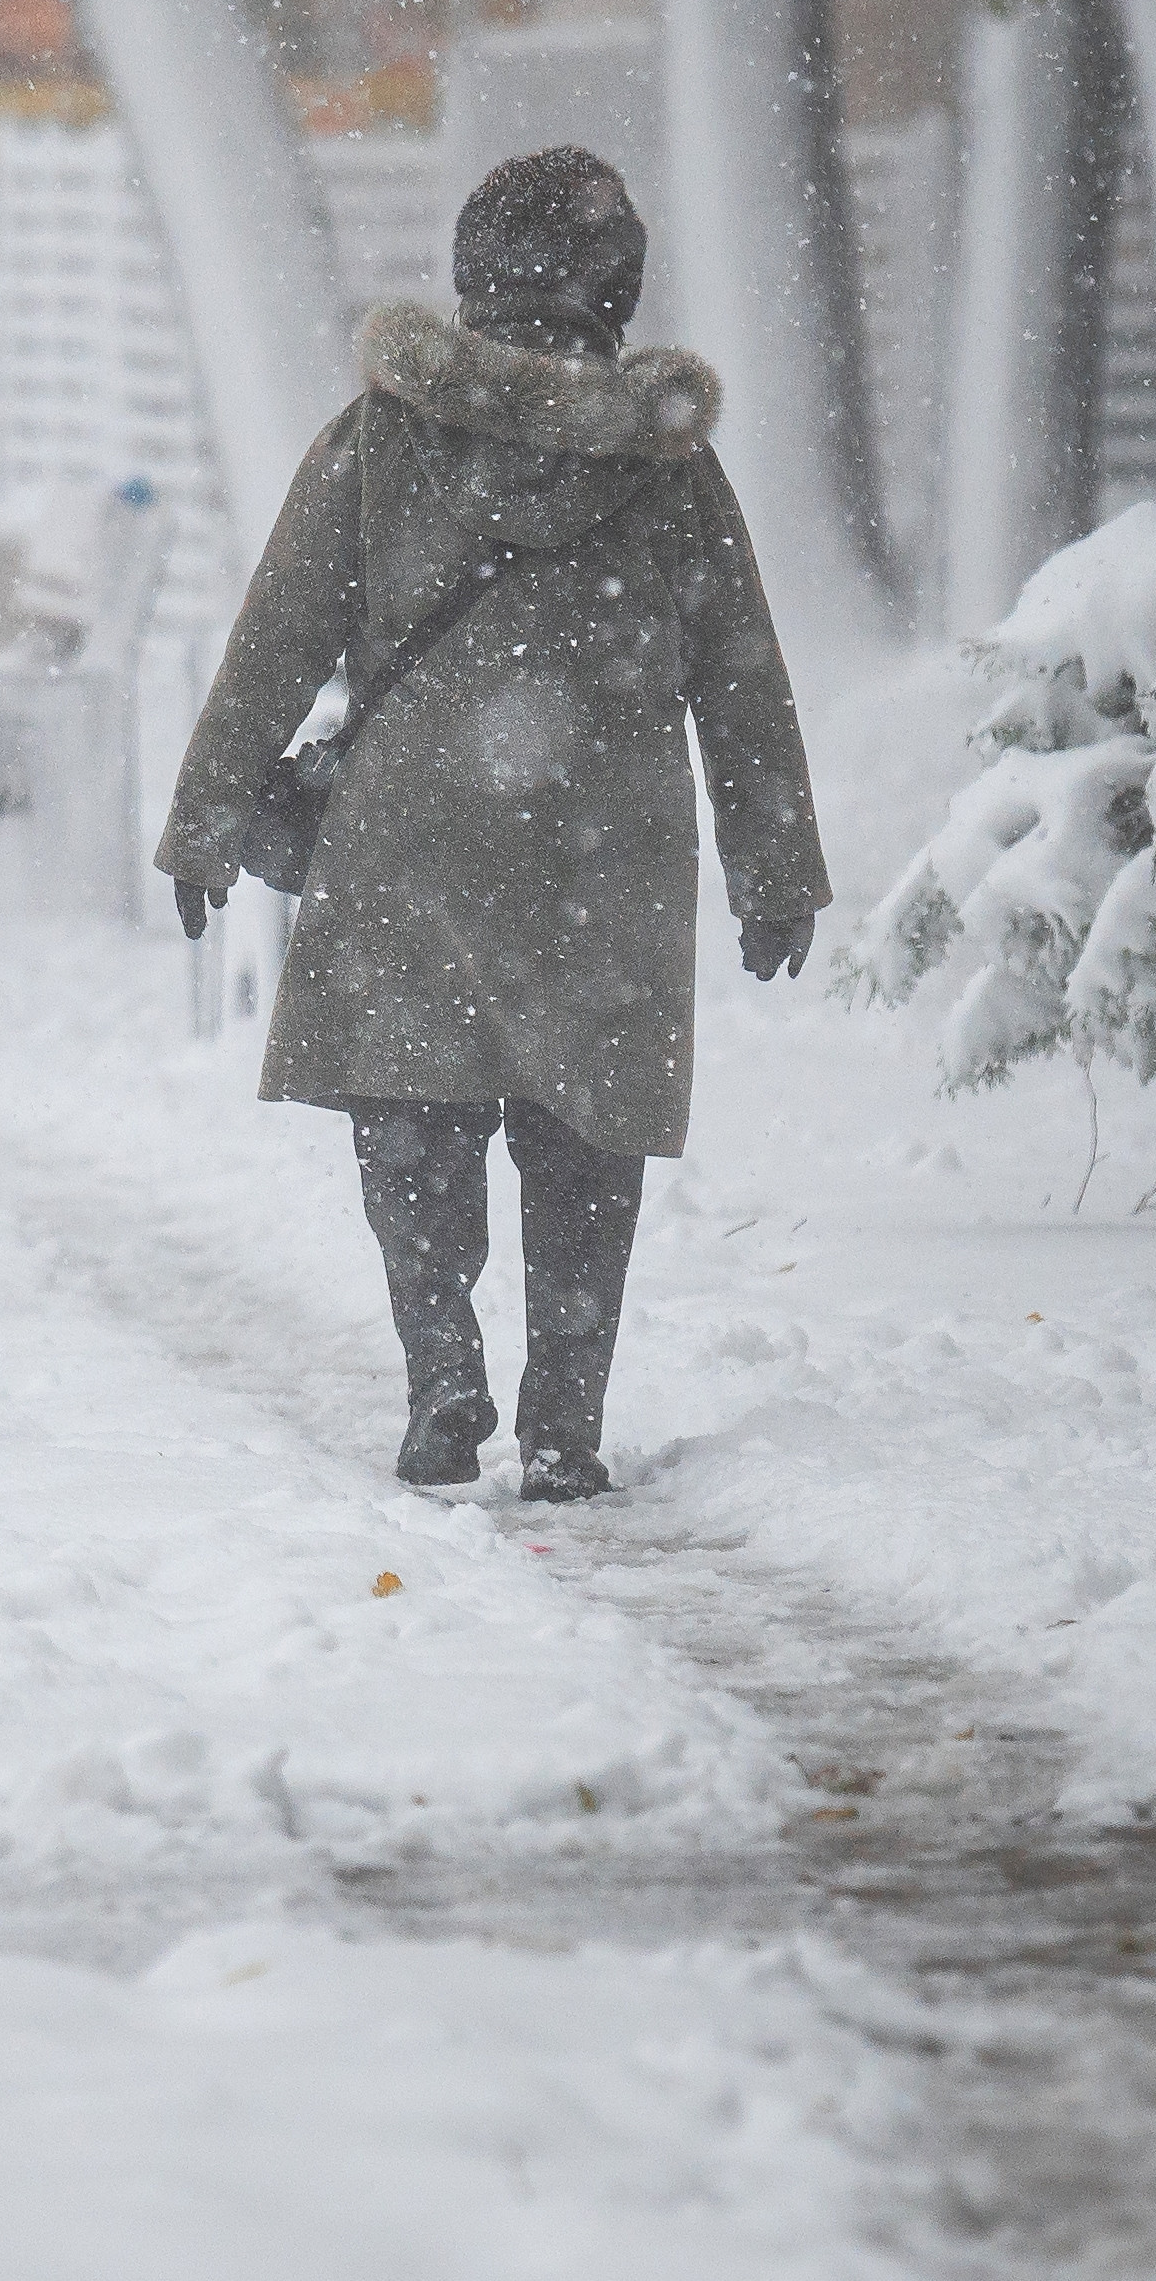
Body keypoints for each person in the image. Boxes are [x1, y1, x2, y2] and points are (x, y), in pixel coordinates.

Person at [156, 149, 830, 1502]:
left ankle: (440, 1378)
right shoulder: (667, 466)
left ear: (472, 276)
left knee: (414, 1110)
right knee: (583, 1134)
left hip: (413, 829)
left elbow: (279, 636)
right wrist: (775, 870)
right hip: (605, 845)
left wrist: (206, 815)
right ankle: (563, 1421)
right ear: (614, 286)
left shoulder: (379, 438)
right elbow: (739, 675)